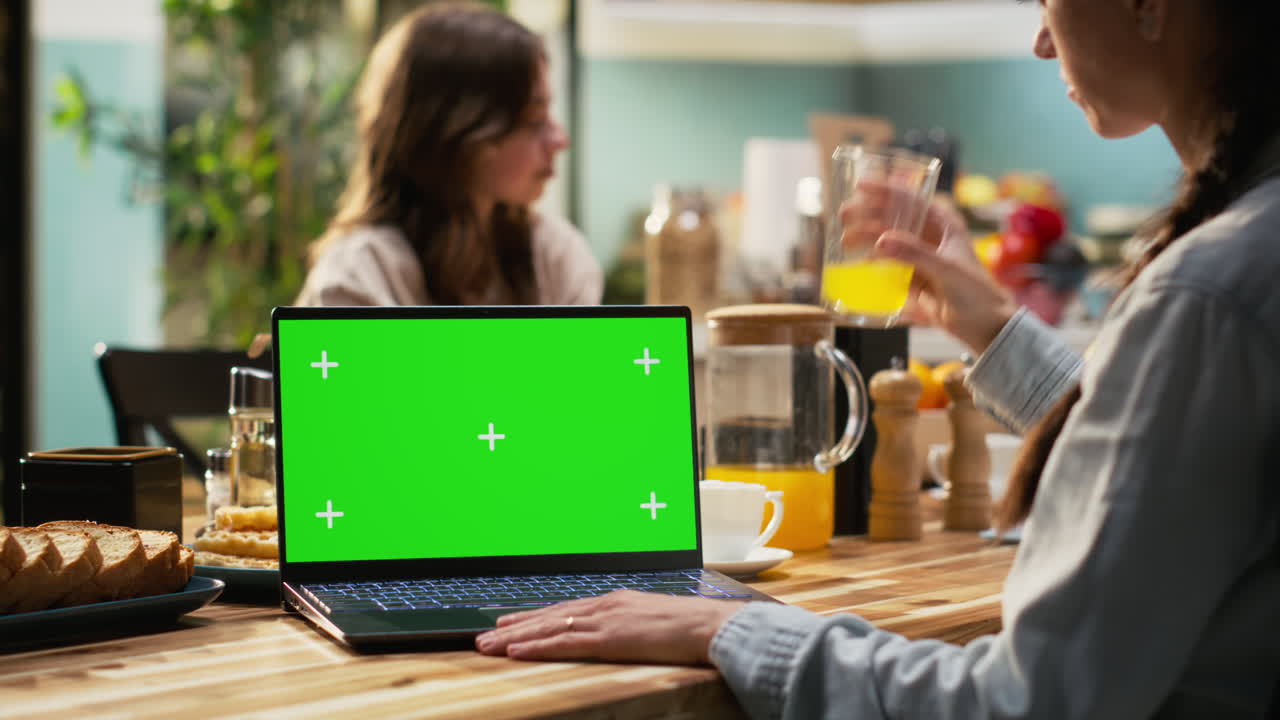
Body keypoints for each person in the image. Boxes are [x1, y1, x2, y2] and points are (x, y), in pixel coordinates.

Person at [475, 2, 1280, 716]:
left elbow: (1020, 702)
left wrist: (730, 626)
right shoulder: (1243, 259)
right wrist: (996, 330)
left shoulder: (1206, 295)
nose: (1040, 38)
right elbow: (1179, 463)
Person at [293, 2, 602, 308]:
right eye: (534, 120)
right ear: (458, 132)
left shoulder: (554, 254)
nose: (560, 140)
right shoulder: (359, 274)